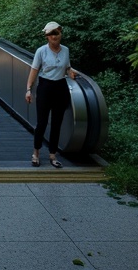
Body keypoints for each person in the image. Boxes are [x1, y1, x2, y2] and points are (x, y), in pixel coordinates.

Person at [26, 21, 78, 167]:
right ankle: (36, 152)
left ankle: (52, 154)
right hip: (45, 87)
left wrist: (70, 72)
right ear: (47, 37)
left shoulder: (66, 50)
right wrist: (28, 89)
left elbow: (67, 66)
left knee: (57, 123)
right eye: (51, 34)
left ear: (61, 34)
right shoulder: (41, 51)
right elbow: (34, 71)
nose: (54, 37)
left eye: (57, 33)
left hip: (61, 87)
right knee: (42, 122)